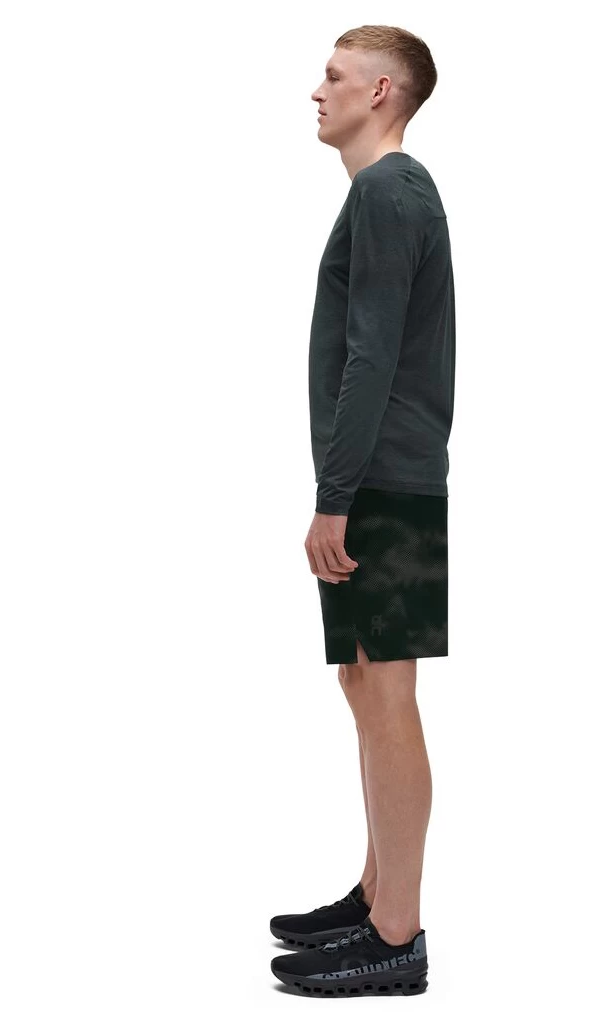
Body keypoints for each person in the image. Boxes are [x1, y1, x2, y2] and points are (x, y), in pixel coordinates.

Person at [269, 25, 455, 998]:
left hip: (381, 482)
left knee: (385, 696)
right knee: (364, 683)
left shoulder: (387, 192)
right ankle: (377, 891)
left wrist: (333, 498)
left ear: (380, 91)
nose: (318, 90)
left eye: (334, 76)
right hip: (383, 478)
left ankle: (396, 935)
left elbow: (371, 355)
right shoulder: (386, 192)